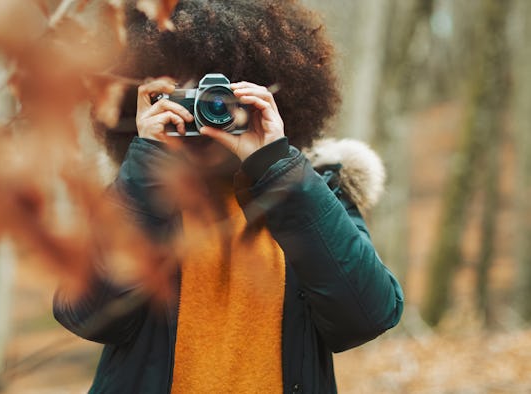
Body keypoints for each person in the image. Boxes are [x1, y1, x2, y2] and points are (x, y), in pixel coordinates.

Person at [53, 0, 404, 392]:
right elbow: (85, 315)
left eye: (220, 96)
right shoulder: (136, 193)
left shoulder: (316, 191)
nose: (206, 113)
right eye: (185, 99)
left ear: (268, 95)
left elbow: (369, 316)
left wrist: (276, 164)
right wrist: (149, 164)